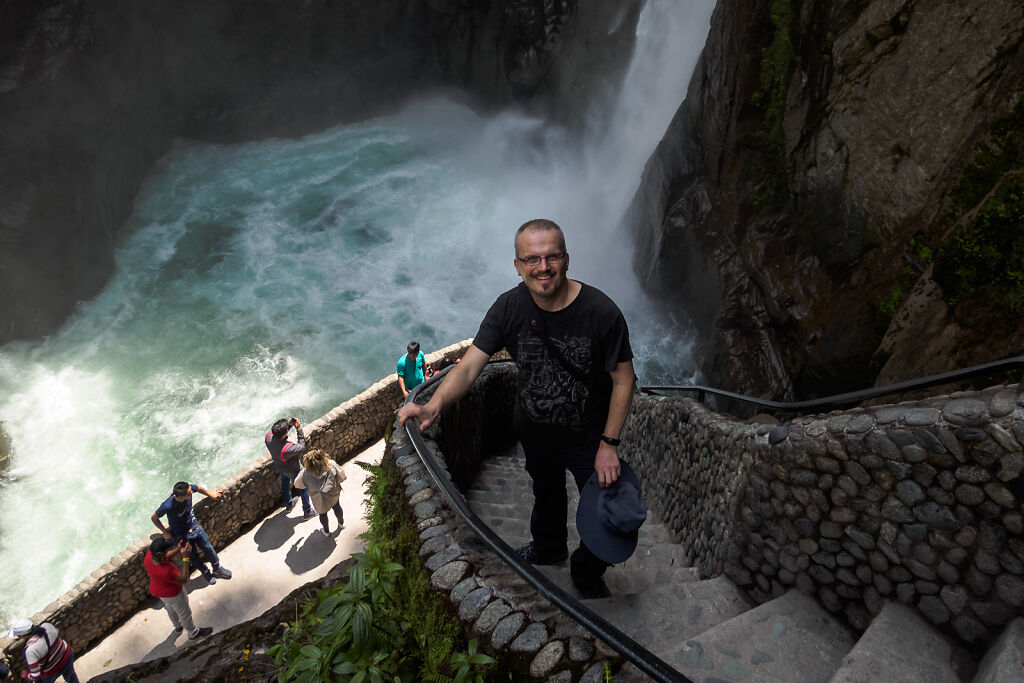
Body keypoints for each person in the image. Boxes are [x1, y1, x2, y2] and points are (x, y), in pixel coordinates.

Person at [398, 218, 634, 599]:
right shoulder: (509, 307)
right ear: (518, 265)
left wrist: (610, 443)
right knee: (546, 494)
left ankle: (586, 569)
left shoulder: (601, 312)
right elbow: (471, 364)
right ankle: (549, 548)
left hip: (589, 438)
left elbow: (624, 379)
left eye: (552, 257)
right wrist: (434, 403)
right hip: (535, 432)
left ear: (567, 259)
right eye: (532, 259)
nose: (543, 267)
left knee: (607, 511)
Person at [152, 481, 232, 585]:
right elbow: (154, 517)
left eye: (190, 491)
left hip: (196, 527)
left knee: (209, 548)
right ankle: (206, 573)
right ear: (179, 496)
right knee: (193, 557)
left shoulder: (188, 490)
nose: (191, 493)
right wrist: (165, 531)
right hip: (182, 535)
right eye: (189, 493)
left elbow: (198, 488)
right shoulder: (168, 505)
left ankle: (217, 568)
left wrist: (210, 494)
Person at [143, 537, 213, 641]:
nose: (167, 551)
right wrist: (185, 557)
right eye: (166, 550)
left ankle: (178, 626)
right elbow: (184, 579)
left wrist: (178, 550)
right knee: (185, 613)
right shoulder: (166, 571)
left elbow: (164, 556)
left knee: (170, 608)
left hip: (160, 592)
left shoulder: (149, 556)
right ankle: (193, 633)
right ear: (161, 554)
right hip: (174, 594)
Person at [265, 417, 315, 519]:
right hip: (293, 469)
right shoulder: (287, 449)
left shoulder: (268, 438)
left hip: (280, 466)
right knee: (303, 488)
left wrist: (289, 425)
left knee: (285, 484)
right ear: (284, 435)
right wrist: (299, 429)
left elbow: (279, 435)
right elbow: (301, 446)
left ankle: (289, 504)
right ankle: (307, 512)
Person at [294, 448, 347, 536]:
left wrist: (308, 485)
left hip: (318, 499)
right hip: (333, 494)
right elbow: (342, 475)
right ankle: (341, 523)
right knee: (337, 507)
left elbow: (297, 484)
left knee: (323, 514)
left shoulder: (304, 473)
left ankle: (326, 532)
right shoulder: (331, 464)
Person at [8, 619, 79, 683]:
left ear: (22, 635)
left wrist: (26, 674)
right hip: (67, 655)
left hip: (52, 670)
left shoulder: (30, 651)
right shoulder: (47, 626)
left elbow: (36, 676)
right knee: (71, 676)